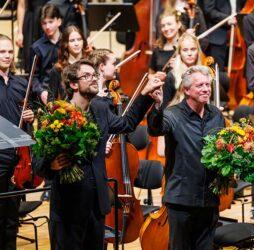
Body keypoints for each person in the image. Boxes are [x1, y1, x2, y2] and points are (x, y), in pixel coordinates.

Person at [34, 59, 163, 249]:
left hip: (96, 206)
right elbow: (38, 162)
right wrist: (51, 166)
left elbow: (126, 123)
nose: (94, 79)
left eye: (94, 75)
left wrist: (145, 94)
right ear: (73, 84)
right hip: (68, 209)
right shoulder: (57, 114)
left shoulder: (101, 109)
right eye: (86, 76)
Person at [147, 65, 225, 249]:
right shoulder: (172, 114)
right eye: (200, 86)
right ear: (187, 90)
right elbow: (155, 129)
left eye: (208, 85)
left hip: (209, 199)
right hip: (182, 200)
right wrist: (157, 106)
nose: (206, 89)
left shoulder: (216, 115)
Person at [0, 34, 35, 250]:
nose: (7, 56)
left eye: (10, 51)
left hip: (17, 160)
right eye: (2, 52)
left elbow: (28, 116)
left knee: (12, 220)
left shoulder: (20, 83)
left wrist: (31, 116)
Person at [161, 33, 229, 108]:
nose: (189, 53)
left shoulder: (205, 73)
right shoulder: (172, 76)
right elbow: (164, 106)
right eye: (185, 50)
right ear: (180, 52)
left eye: (193, 49)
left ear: (198, 51)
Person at [47, 25, 89, 102]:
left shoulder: (89, 65)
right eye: (72, 40)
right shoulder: (58, 69)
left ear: (83, 41)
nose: (76, 43)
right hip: (67, 111)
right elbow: (51, 99)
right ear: (66, 44)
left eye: (79, 39)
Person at [30, 3, 63, 104]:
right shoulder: (37, 47)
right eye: (44, 23)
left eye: (50, 22)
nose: (47, 26)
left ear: (59, 21)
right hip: (46, 92)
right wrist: (41, 92)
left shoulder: (67, 42)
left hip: (65, 91)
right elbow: (33, 77)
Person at [16, 0, 49, 72]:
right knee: (31, 60)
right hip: (32, 23)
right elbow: (21, 6)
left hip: (50, 20)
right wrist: (20, 32)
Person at [150, 9, 185, 74]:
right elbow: (150, 74)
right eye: (163, 26)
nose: (166, 28)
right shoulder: (158, 49)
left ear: (179, 24)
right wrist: (155, 77)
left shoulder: (186, 47)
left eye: (169, 24)